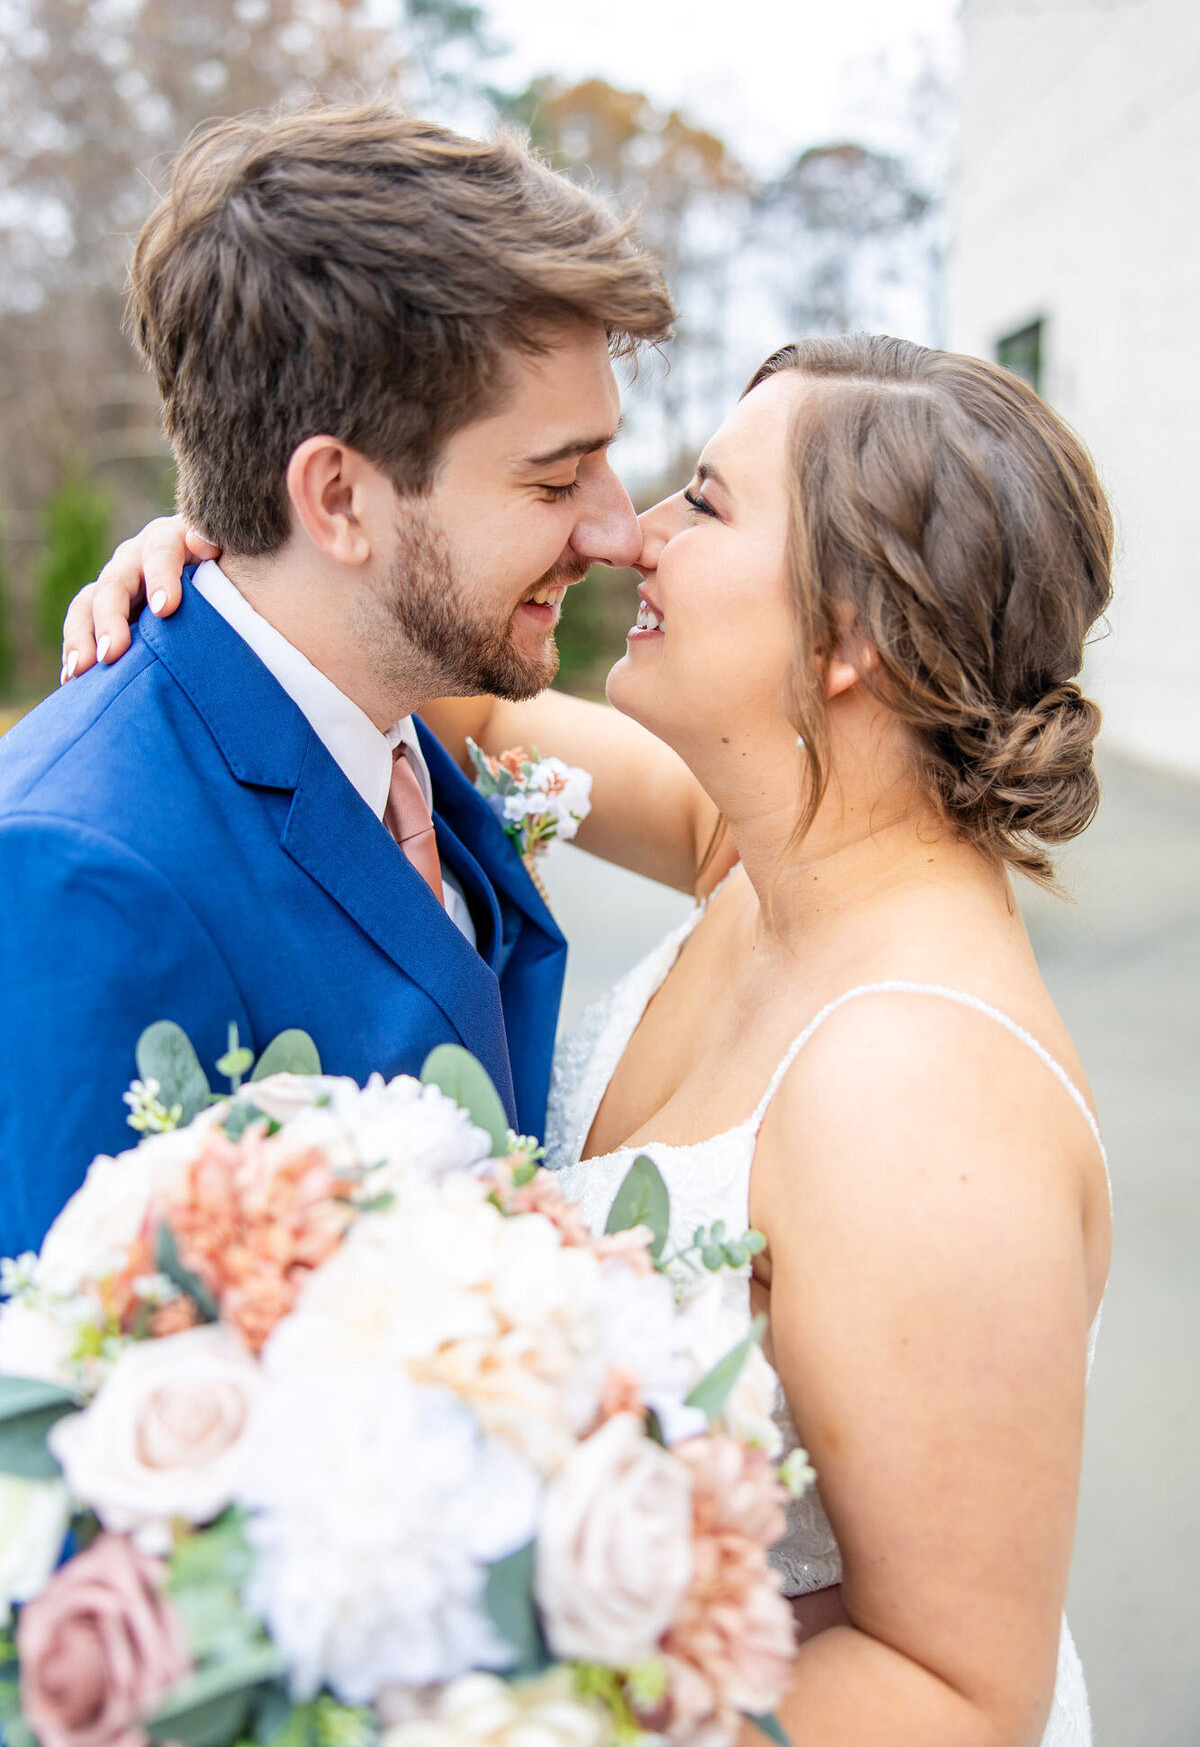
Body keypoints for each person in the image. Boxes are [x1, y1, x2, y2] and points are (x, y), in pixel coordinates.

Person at [77, 333, 1112, 1744]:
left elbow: (958, 1696)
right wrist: (240, 560)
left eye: (706, 500)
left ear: (854, 630)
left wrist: (488, 1710)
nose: (633, 535)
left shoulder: (924, 1100)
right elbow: (460, 681)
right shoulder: (753, 860)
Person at [0, 99, 674, 1258]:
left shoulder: (404, 715)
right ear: (340, 500)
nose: (618, 532)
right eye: (556, 481)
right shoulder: (80, 871)